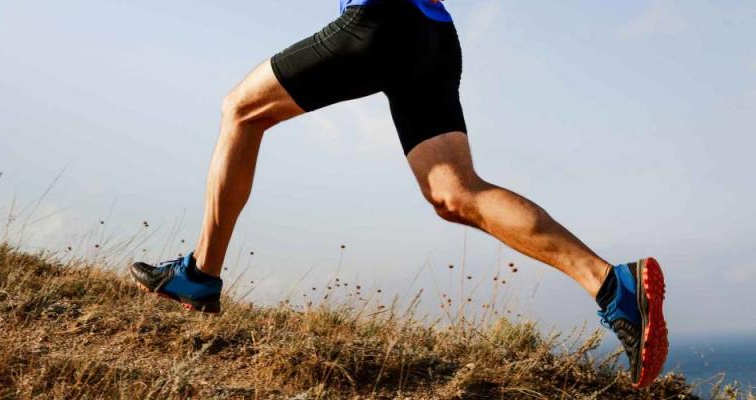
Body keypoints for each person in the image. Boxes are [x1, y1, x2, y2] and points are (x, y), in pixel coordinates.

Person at [129, 0, 668, 388]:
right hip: (432, 35)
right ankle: (611, 285)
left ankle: (199, 278)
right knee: (454, 192)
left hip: (380, 22)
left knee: (239, 111)